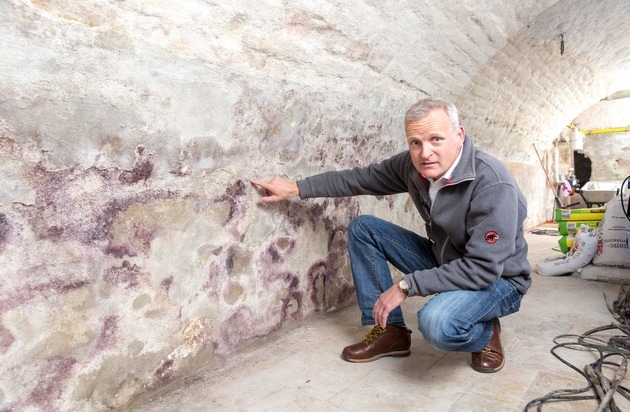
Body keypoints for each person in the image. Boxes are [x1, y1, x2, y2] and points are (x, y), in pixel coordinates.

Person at [251, 97, 531, 373]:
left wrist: (406, 285)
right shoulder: (414, 167)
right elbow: (361, 178)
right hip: (447, 259)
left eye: (436, 139)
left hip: (498, 279)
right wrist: (296, 188)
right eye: (415, 142)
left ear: (459, 135)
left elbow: (483, 268)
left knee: (437, 324)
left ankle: (485, 331)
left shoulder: (493, 183)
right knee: (364, 229)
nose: (425, 153)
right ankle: (390, 332)